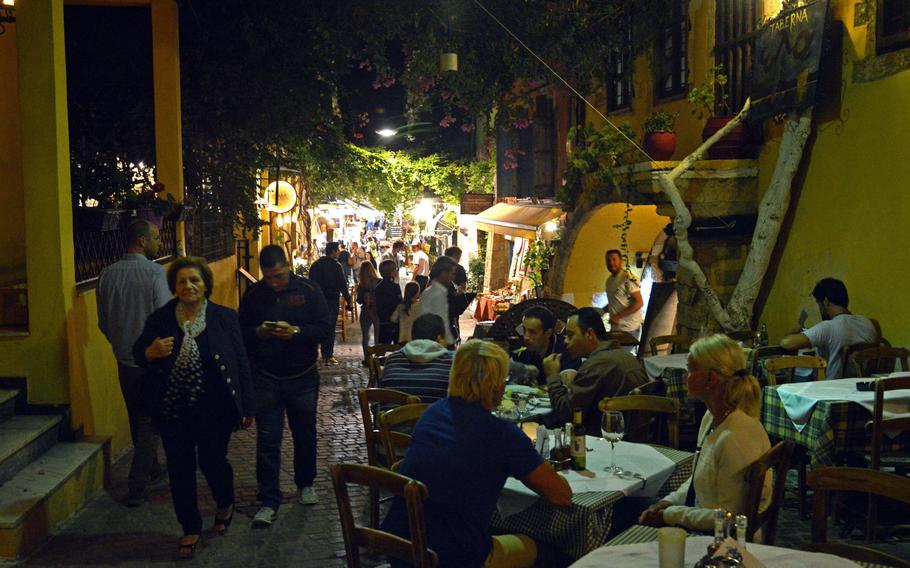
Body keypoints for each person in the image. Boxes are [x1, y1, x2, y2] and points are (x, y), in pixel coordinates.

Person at [381, 340, 572, 568]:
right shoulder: (502, 434)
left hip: (402, 547)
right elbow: (561, 496)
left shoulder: (432, 413)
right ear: (495, 386)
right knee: (552, 551)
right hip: (454, 557)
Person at [133, 256, 255, 559]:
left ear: (205, 285)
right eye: (182, 281)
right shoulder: (161, 319)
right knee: (179, 469)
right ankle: (190, 526)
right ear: (174, 286)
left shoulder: (224, 317)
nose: (188, 286)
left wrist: (247, 405)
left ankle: (224, 502)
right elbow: (138, 352)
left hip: (215, 409)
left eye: (195, 280)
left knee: (214, 463)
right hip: (174, 409)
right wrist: (150, 352)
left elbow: (241, 362)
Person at [238, 245, 333, 527]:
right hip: (266, 377)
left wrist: (297, 332)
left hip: (302, 375)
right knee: (267, 439)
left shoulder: (309, 290)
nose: (275, 283)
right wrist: (259, 332)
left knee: (305, 433)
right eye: (269, 278)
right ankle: (269, 499)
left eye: (279, 276)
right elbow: (241, 332)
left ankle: (306, 484)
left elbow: (325, 328)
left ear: (288, 266)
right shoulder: (255, 294)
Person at [638, 334, 771, 533]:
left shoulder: (735, 438)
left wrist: (670, 515)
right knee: (631, 505)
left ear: (712, 378)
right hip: (699, 515)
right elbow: (697, 481)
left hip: (717, 542)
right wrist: (667, 503)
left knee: (624, 514)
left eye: (691, 369)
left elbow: (730, 519)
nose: (685, 375)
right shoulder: (711, 417)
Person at [96, 220, 171, 506]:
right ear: (140, 241)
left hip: (124, 362)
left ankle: (151, 467)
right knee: (150, 423)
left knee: (137, 417)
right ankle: (137, 486)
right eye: (155, 238)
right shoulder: (154, 273)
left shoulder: (106, 275)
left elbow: (103, 322)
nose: (159, 243)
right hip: (151, 362)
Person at [543, 307, 649, 437]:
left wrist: (553, 376)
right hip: (638, 436)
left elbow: (567, 413)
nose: (565, 341)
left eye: (570, 335)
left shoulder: (597, 364)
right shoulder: (623, 355)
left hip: (609, 439)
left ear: (589, 334)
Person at [779, 277, 878, 379]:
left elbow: (787, 343)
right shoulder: (868, 324)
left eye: (819, 303)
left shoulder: (828, 327)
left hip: (830, 388)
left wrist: (794, 332)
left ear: (826, 301)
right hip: (859, 387)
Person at [380, 313, 454, 403]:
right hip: (436, 416)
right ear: (439, 338)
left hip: (390, 416)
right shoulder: (453, 362)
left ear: (413, 337)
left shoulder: (392, 359)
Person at [307, 241, 352, 365]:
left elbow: (311, 284)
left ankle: (316, 353)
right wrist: (349, 301)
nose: (338, 253)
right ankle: (327, 354)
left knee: (318, 326)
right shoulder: (336, 266)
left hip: (318, 301)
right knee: (330, 327)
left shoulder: (316, 265)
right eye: (337, 250)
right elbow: (343, 285)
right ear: (333, 251)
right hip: (331, 300)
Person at [510, 306, 577, 386]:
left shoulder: (566, 349)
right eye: (524, 330)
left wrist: (552, 373)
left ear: (548, 333)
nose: (526, 337)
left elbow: (568, 387)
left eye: (532, 332)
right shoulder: (521, 349)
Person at [604, 249, 644, 350]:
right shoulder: (609, 281)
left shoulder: (628, 279)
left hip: (629, 329)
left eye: (614, 259)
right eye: (608, 260)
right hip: (616, 328)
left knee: (618, 358)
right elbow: (615, 302)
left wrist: (618, 316)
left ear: (620, 261)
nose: (611, 263)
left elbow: (639, 302)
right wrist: (600, 311)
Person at [418, 256, 458, 347]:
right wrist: (448, 341)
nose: (453, 277)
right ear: (443, 273)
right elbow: (441, 319)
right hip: (438, 342)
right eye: (452, 273)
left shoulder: (431, 291)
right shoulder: (437, 293)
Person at [357, 262, 381, 364]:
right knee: (378, 335)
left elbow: (359, 300)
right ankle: (378, 357)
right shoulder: (379, 282)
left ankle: (367, 359)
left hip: (366, 311)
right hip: (377, 311)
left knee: (365, 336)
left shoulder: (361, 285)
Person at [375, 259, 402, 344]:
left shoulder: (378, 287)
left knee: (381, 348)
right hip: (394, 322)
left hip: (383, 321)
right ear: (391, 272)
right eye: (395, 269)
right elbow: (399, 303)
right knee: (398, 347)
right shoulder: (395, 287)